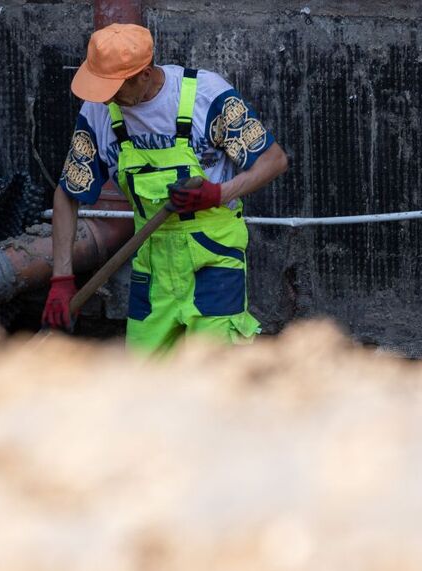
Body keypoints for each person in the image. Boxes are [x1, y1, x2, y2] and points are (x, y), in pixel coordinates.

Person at [42, 23, 288, 351]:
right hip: (152, 269)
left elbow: (273, 161)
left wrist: (218, 194)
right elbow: (67, 194)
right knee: (144, 376)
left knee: (213, 373)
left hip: (213, 264)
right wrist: (61, 279)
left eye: (114, 88)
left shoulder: (206, 96)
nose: (107, 97)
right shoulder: (98, 110)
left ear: (144, 74)